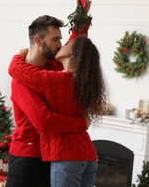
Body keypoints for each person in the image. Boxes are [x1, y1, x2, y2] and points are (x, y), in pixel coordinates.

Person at [6, 0, 92, 187]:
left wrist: (82, 19)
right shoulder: (21, 80)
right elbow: (44, 121)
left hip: (50, 155)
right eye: (55, 39)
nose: (60, 44)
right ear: (38, 40)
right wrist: (81, 123)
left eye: (60, 39)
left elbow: (73, 50)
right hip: (27, 157)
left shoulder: (52, 67)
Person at [8, 35, 107, 187]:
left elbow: (16, 70)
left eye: (65, 43)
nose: (61, 45)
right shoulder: (85, 81)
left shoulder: (56, 81)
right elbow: (81, 44)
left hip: (67, 156)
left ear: (72, 54)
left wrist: (18, 57)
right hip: (88, 155)